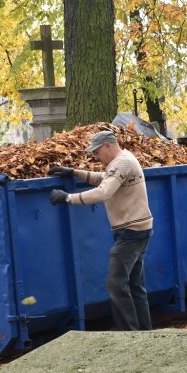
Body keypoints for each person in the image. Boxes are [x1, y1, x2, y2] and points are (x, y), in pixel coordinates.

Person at [48, 131, 154, 331]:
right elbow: (105, 179)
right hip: (139, 229)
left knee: (116, 283)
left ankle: (130, 335)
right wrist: (74, 172)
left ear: (107, 145)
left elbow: (104, 191)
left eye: (97, 152)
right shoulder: (125, 159)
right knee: (134, 285)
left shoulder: (121, 162)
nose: (96, 157)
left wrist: (68, 198)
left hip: (131, 231)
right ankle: (144, 333)